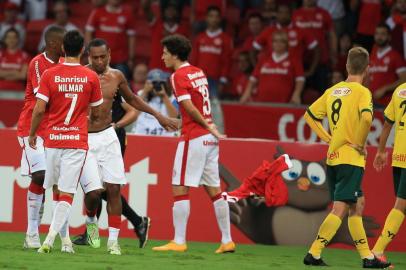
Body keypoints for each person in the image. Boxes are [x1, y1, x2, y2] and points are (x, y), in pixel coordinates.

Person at [78, 38, 178, 255]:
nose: (99, 61)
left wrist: (158, 115)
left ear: (109, 55)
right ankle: (90, 224)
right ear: (88, 57)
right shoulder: (79, 75)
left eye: (102, 57)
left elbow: (132, 100)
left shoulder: (116, 76)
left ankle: (113, 243)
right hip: (84, 138)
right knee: (94, 193)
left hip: (108, 135)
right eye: (94, 57)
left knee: (113, 189)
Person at [302, 47, 391, 268]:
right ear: (368, 69)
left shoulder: (334, 90)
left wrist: (327, 138)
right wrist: (360, 144)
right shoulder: (362, 92)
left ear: (346, 66)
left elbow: (309, 115)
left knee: (357, 205)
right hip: (350, 159)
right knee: (340, 208)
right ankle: (314, 252)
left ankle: (367, 258)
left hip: (333, 157)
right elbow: (367, 119)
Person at [152, 34, 235, 253]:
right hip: (209, 140)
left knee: (179, 186)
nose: (162, 57)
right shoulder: (198, 72)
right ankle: (227, 240)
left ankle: (179, 241)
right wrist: (211, 127)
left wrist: (207, 126)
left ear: (175, 54)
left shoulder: (178, 75)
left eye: (165, 53)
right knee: (214, 190)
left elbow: (188, 106)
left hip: (195, 136)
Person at [29, 30, 104, 254]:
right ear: (83, 50)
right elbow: (98, 112)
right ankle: (61, 240)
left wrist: (33, 133)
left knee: (97, 191)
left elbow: (39, 109)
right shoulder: (91, 77)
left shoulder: (51, 74)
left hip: (54, 140)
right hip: (78, 141)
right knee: (66, 192)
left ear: (64, 48)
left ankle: (93, 236)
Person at [16, 26, 65, 250]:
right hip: (31, 127)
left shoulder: (66, 64)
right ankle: (31, 232)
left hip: (54, 129)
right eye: (64, 41)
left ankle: (59, 235)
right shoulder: (38, 62)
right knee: (40, 175)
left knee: (53, 180)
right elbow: (41, 97)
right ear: (53, 44)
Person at [372, 82, 406, 266]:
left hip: (399, 156)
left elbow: (386, 125)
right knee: (401, 205)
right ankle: (377, 250)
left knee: (403, 206)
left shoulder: (400, 90)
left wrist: (380, 151)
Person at [241, 31, 305, 104]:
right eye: (275, 41)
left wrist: (296, 94)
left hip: (283, 101)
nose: (278, 44)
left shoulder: (294, 59)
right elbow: (253, 78)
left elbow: (300, 79)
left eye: (281, 41)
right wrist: (247, 92)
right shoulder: (264, 58)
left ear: (286, 44)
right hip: (261, 101)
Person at [85, 0, 136, 78]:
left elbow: (131, 37)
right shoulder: (97, 12)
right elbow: (88, 32)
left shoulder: (127, 14)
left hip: (120, 60)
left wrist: (131, 58)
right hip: (100, 59)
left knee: (121, 85)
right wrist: (90, 53)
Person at [142, 0, 188, 71]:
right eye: (168, 9)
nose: (170, 11)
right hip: (155, 70)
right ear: (163, 11)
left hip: (174, 71)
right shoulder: (156, 24)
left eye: (173, 9)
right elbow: (145, 7)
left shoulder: (184, 29)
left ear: (178, 12)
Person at [131, 68, 178, 136]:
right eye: (154, 83)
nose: (157, 85)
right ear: (147, 83)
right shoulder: (141, 94)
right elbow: (133, 113)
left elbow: (174, 117)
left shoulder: (172, 98)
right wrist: (145, 92)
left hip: (165, 137)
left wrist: (164, 96)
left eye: (160, 83)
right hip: (142, 135)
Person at [369, 23, 406, 107]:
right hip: (371, 104)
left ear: (389, 37)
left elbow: (404, 80)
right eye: (377, 34)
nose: (379, 37)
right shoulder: (371, 56)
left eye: (383, 34)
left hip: (388, 104)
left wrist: (385, 89)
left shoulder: (396, 56)